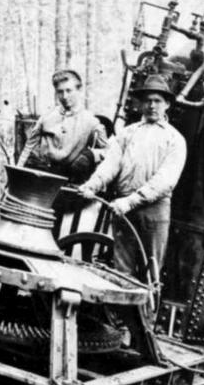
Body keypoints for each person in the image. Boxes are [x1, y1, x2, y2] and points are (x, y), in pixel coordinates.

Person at [79, 74, 187, 287]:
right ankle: (121, 319)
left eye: (157, 101)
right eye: (147, 100)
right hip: (122, 208)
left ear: (167, 104)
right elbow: (110, 164)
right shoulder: (127, 134)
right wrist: (92, 184)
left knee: (152, 271)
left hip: (154, 210)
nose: (152, 106)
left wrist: (130, 201)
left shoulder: (175, 139)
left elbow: (166, 180)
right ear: (140, 103)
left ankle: (146, 317)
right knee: (123, 270)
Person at [18, 69, 108, 184]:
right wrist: (18, 172)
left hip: (71, 179)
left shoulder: (91, 121)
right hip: (44, 175)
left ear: (79, 90)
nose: (65, 96)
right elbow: (28, 146)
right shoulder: (47, 117)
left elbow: (108, 152)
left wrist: (90, 156)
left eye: (69, 91)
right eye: (60, 91)